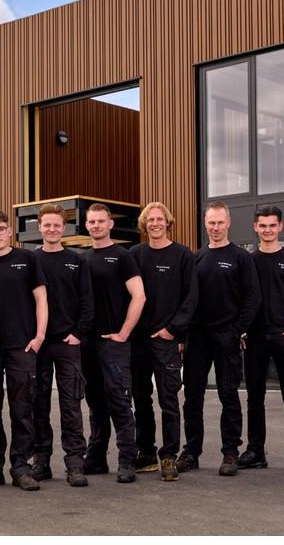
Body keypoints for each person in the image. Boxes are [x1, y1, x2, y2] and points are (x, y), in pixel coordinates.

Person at [178, 202, 261, 477]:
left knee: (228, 394)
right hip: (196, 337)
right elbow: (187, 298)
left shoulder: (241, 257)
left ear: (228, 223)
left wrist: (237, 330)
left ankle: (230, 452)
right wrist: (183, 335)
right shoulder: (196, 258)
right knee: (192, 397)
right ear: (205, 223)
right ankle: (191, 452)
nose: (215, 227)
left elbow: (253, 298)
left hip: (227, 336)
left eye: (220, 222)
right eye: (211, 223)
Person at [0, 209, 48, 492]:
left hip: (21, 346)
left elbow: (41, 299)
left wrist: (39, 336)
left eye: (2, 229)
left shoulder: (28, 259)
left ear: (10, 231)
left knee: (22, 409)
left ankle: (21, 467)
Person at [240, 205, 284, 476]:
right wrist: (242, 329)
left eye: (272, 225)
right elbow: (241, 298)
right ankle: (255, 451)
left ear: (280, 226)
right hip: (255, 339)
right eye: (263, 225)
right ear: (255, 227)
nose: (268, 230)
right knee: (254, 398)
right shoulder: (248, 261)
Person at [129, 201, 197, 482]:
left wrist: (173, 330)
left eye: (159, 219)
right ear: (144, 225)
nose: (155, 223)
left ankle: (168, 455)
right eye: (150, 220)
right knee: (140, 398)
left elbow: (191, 298)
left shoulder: (183, 255)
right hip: (138, 340)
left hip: (166, 340)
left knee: (168, 399)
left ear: (168, 222)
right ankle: (145, 452)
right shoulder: (134, 255)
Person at [81, 202, 146, 483]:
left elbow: (139, 296)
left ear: (110, 224)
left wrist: (124, 332)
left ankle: (127, 460)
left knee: (119, 400)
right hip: (88, 343)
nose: (96, 225)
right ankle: (96, 458)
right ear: (87, 225)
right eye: (92, 221)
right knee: (95, 402)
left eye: (101, 221)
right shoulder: (82, 258)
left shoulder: (122, 256)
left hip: (114, 343)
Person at [32, 203, 93, 488]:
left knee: (71, 405)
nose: (52, 229)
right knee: (38, 403)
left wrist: (79, 333)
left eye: (57, 225)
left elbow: (87, 300)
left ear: (64, 228)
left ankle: (75, 463)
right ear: (39, 227)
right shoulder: (31, 260)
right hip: (39, 345)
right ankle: (41, 461)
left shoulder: (76, 261)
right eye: (47, 225)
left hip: (68, 343)